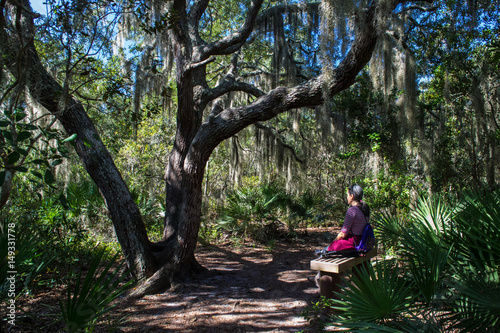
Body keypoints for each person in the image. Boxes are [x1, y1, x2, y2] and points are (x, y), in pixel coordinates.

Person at [327, 184, 370, 252]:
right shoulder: (365, 208)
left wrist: (333, 242)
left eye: (347, 195)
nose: (347, 197)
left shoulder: (352, 210)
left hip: (353, 244)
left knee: (329, 248)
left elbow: (343, 234)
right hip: (363, 243)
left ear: (352, 196)